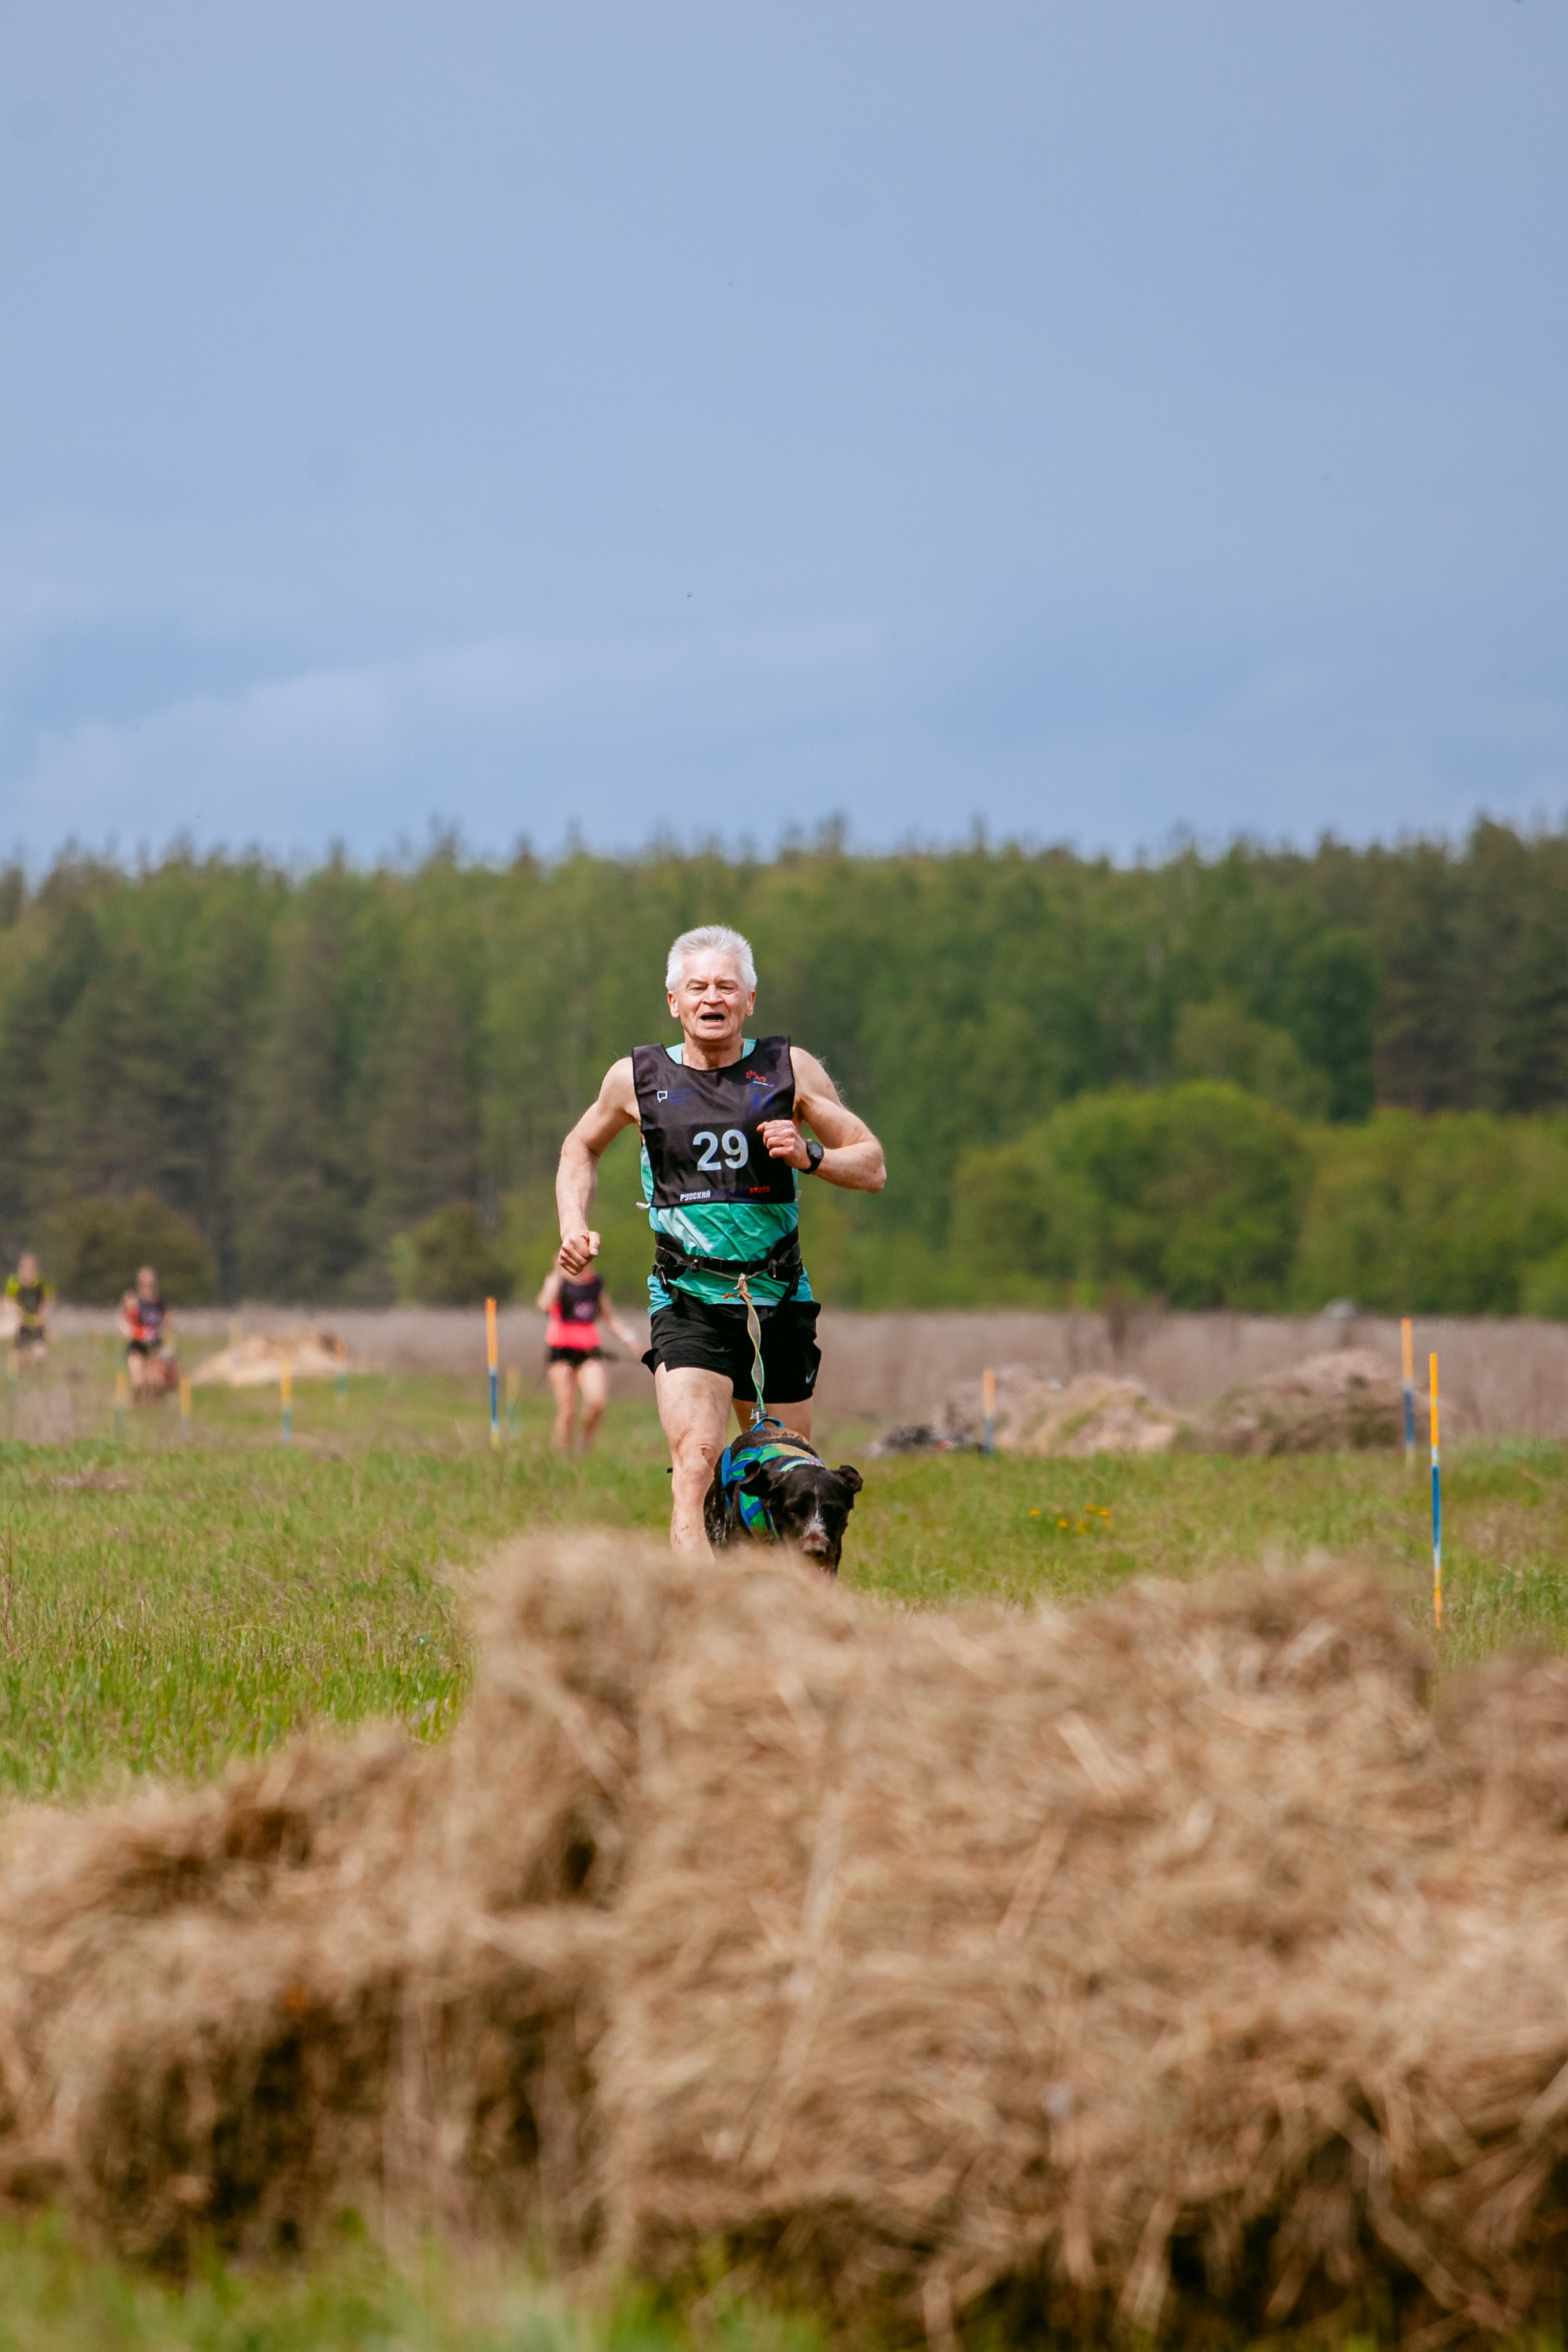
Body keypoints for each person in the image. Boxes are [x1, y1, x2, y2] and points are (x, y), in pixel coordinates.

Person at [554, 924, 886, 1550]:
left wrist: (810, 1155)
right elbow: (580, 1145)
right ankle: (694, 1619)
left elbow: (872, 1165)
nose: (713, 998)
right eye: (698, 986)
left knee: (792, 1478)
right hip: (689, 1300)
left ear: (749, 1001)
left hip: (777, 1297)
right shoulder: (635, 1078)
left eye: (727, 987)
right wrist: (574, 1224)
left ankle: (780, 1607)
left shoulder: (789, 1069)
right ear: (675, 1001)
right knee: (697, 1458)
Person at [535, 1265, 639, 1454]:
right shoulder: (558, 1281)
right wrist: (557, 1276)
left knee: (597, 1401)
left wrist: (631, 1340)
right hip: (561, 1351)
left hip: (588, 1351)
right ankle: (562, 1457)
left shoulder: (595, 1283)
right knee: (567, 1410)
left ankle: (584, 1443)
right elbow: (544, 1304)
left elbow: (610, 1317)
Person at [117, 1264, 173, 1395]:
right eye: (144, 1283)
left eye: (150, 1283)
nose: (147, 1285)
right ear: (139, 1283)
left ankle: (154, 1409)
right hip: (137, 1344)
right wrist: (126, 1329)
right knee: (139, 1382)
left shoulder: (160, 1302)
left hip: (154, 1345)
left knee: (156, 1383)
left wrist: (167, 1328)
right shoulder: (133, 1300)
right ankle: (132, 1406)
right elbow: (121, 1317)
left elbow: (168, 1321)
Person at [4, 1252, 54, 1371]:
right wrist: (17, 1314)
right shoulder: (14, 1282)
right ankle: (20, 1375)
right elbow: (8, 1300)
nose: (28, 1270)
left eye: (31, 1266)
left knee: (40, 1355)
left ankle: (38, 1376)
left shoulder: (42, 1282)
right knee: (20, 1356)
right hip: (21, 1321)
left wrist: (42, 1314)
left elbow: (49, 1299)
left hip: (37, 1321)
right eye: (25, 1266)